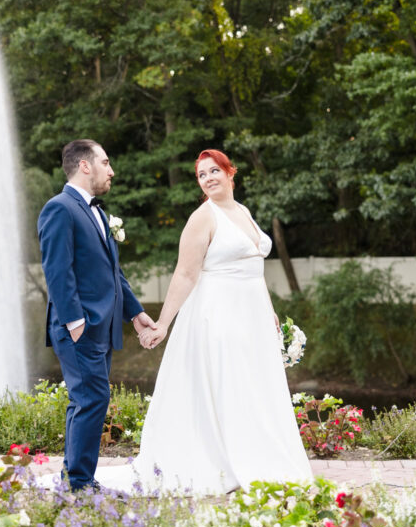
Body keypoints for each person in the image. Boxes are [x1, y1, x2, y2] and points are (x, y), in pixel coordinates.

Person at [96, 149, 312, 494]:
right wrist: (164, 324)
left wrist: (269, 310)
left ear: (230, 173)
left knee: (254, 388)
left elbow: (254, 270)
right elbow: (185, 273)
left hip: (252, 314)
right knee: (228, 385)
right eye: (202, 175)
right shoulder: (203, 217)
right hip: (219, 313)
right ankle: (225, 462)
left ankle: (256, 456)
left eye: (214, 171)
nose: (209, 178)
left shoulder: (242, 211)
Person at [37, 139, 156, 492]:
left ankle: (74, 477)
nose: (111, 170)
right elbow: (57, 271)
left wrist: (135, 314)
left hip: (101, 327)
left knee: (87, 399)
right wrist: (76, 324)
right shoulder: (59, 208)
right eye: (106, 162)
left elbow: (113, 274)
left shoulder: (98, 213)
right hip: (81, 327)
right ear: (85, 166)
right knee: (92, 398)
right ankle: (80, 483)